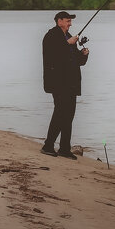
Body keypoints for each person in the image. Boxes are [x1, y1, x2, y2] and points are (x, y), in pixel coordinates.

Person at [41, 10, 89, 159]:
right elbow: (53, 56)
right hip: (58, 83)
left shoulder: (68, 37)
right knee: (60, 113)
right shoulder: (51, 36)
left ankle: (64, 148)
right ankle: (48, 145)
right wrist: (67, 44)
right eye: (68, 21)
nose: (70, 24)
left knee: (69, 115)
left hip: (71, 83)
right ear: (59, 21)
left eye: (70, 21)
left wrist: (84, 54)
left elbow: (77, 61)